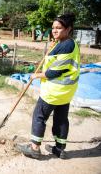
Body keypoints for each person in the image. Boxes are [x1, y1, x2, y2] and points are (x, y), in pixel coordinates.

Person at [16, 13, 80, 159]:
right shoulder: (68, 43)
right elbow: (53, 61)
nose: (54, 31)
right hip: (67, 91)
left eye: (59, 28)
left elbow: (55, 71)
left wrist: (35, 76)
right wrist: (51, 48)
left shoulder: (66, 45)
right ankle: (59, 149)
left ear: (68, 29)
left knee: (39, 116)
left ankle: (34, 148)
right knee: (61, 119)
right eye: (53, 28)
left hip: (54, 90)